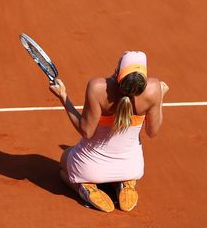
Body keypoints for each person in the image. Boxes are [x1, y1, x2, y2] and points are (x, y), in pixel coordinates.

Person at [49, 51, 169, 212]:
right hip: (131, 168)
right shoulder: (154, 88)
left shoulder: (98, 88)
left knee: (64, 165)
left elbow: (86, 131)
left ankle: (85, 190)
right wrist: (159, 98)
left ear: (119, 70)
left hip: (89, 169)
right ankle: (124, 184)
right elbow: (153, 132)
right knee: (116, 172)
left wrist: (63, 97)